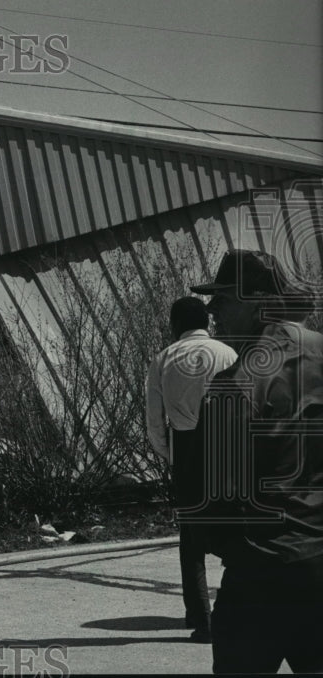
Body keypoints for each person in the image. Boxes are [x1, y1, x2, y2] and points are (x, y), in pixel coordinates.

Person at [186, 249, 323, 674]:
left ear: (255, 300)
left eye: (223, 300)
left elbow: (215, 503)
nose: (211, 312)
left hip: (259, 573)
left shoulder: (236, 386)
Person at [145, 297, 236, 642]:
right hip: (227, 445)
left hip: (185, 447)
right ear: (208, 323)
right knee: (235, 526)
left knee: (191, 540)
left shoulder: (163, 359)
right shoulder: (228, 354)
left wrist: (170, 454)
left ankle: (202, 618)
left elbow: (155, 421)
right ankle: (237, 608)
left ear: (174, 325)